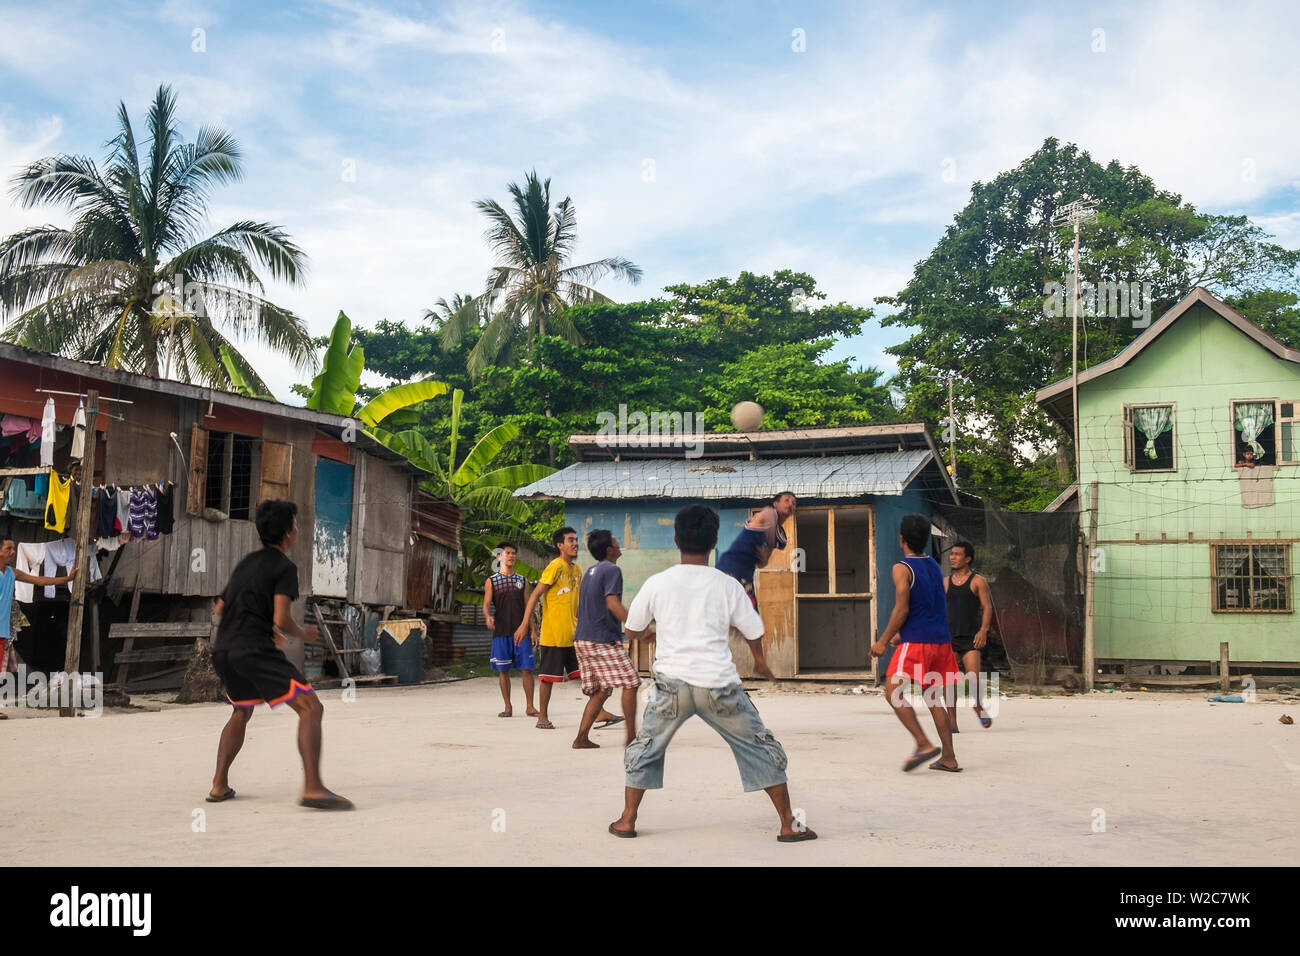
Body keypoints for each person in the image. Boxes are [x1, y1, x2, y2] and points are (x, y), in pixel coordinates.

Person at [611, 504, 817, 842]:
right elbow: (753, 629)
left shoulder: (657, 583)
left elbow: (632, 629)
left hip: (670, 688)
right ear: (715, 541)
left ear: (676, 539)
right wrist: (759, 661)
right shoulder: (727, 585)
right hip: (719, 686)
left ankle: (627, 819)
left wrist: (650, 632)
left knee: (646, 747)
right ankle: (787, 822)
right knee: (759, 745)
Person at [208, 500, 352, 809]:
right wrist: (303, 632)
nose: (297, 531)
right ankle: (313, 787)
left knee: (241, 710)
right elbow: (281, 619)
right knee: (311, 707)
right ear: (288, 533)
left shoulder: (246, 563)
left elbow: (221, 607)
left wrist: (258, 624)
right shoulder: (284, 567)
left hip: (224, 650)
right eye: (296, 526)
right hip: (252, 650)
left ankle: (219, 785)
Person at [869, 513, 962, 773]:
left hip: (918, 642)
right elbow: (931, 603)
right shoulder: (933, 564)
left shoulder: (902, 568)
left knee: (892, 691)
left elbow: (902, 609)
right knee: (933, 698)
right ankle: (949, 757)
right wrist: (903, 633)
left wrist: (883, 640)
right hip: (940, 641)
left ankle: (922, 743)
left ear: (901, 539)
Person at [516, 527, 615, 730]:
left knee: (588, 674)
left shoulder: (577, 571)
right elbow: (535, 595)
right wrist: (525, 624)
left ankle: (599, 712)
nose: (575, 543)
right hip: (554, 634)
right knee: (548, 678)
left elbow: (578, 604)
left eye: (576, 540)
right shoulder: (555, 566)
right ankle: (542, 716)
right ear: (560, 545)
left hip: (574, 634)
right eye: (570, 540)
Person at [572, 529, 641, 749]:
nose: (619, 544)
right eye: (616, 542)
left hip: (582, 638)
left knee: (602, 689)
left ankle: (581, 738)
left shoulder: (590, 571)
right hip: (600, 638)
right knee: (631, 682)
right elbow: (612, 603)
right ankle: (631, 737)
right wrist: (635, 628)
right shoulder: (612, 570)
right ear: (610, 550)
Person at [0, 537, 76, 719]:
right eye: (9, 549)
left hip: (3, 630)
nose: (13, 552)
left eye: (13, 549)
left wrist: (67, 578)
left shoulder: (12, 573)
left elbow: (39, 580)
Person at [944, 540, 993, 732]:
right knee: (950, 682)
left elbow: (987, 607)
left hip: (971, 639)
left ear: (968, 558)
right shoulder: (945, 582)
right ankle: (952, 722)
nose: (953, 557)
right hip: (950, 639)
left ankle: (978, 706)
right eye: (952, 554)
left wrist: (983, 630)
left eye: (957, 554)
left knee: (973, 679)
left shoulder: (978, 581)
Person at [485, 543, 538, 718]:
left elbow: (528, 607)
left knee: (527, 670)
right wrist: (487, 616)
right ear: (499, 556)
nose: (511, 556)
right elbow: (486, 605)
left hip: (521, 632)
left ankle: (530, 706)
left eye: (514, 553)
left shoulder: (522, 580)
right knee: (503, 670)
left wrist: (532, 631)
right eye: (507, 553)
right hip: (501, 632)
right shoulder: (492, 581)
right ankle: (508, 707)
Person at [716, 492, 796, 608]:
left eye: (794, 503)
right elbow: (768, 515)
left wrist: (763, 557)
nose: (790, 504)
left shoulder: (780, 536)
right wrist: (769, 542)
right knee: (736, 612)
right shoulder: (767, 514)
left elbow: (763, 562)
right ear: (775, 504)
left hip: (746, 574)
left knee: (748, 613)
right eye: (787, 500)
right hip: (729, 567)